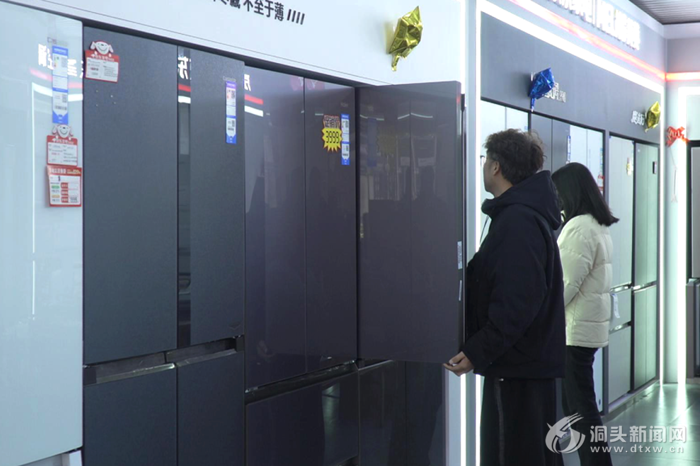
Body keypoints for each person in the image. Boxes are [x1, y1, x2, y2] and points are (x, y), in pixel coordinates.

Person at [445, 129, 565, 466]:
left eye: (486, 160)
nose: (483, 166)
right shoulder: (523, 215)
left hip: (516, 371)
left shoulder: (517, 221)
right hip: (525, 367)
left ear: (496, 166)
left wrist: (477, 351)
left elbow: (516, 304)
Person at [552, 162, 616, 466]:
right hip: (585, 331)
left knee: (581, 413)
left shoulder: (578, 228)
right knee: (580, 410)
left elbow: (565, 284)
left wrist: (540, 316)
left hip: (574, 333)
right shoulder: (596, 225)